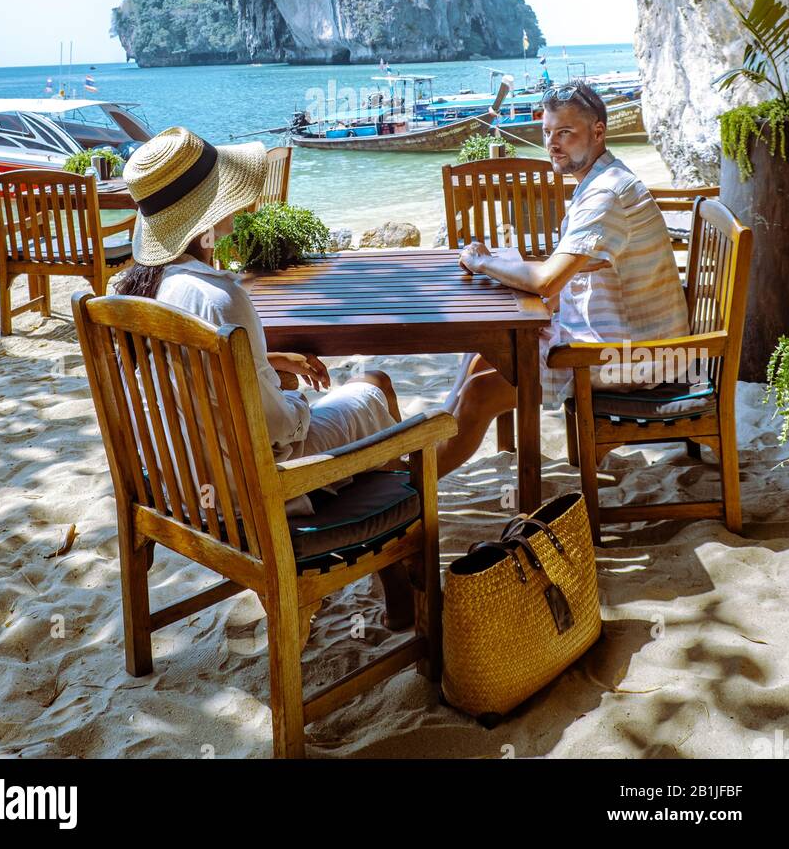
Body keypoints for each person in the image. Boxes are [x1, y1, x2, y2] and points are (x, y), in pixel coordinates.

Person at [114, 126, 413, 626]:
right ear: (210, 211)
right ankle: (402, 582)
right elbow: (277, 431)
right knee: (376, 386)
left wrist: (267, 363)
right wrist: (294, 400)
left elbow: (191, 378)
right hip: (253, 495)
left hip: (183, 486)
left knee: (331, 393)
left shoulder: (143, 291)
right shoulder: (220, 297)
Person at [439, 80, 689, 474]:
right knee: (482, 356)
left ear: (598, 131)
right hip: (620, 338)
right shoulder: (599, 182)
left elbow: (547, 282)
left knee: (481, 393)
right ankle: (420, 461)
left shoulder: (607, 195)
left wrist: (482, 262)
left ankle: (412, 493)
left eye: (565, 133)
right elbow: (566, 276)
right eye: (547, 133)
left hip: (637, 356)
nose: (552, 144)